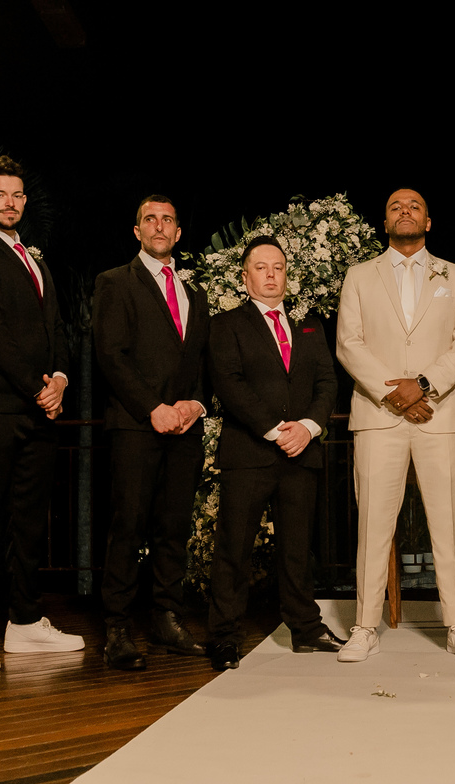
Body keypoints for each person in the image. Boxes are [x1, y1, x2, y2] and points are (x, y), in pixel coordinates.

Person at [334, 188, 455, 662]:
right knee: (373, 526)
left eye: (414, 206)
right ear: (384, 223)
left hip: (441, 415)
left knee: (449, 525)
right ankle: (364, 626)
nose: (405, 211)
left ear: (429, 221)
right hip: (378, 416)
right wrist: (395, 395)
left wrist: (422, 385)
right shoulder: (359, 276)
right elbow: (349, 343)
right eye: (396, 207)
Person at [0, 155, 83, 671]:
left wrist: (62, 378)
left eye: (17, 194)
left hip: (37, 408)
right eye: (0, 194)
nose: (10, 202)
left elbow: (56, 328)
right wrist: (40, 388)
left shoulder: (34, 258)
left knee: (29, 521)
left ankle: (24, 622)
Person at [205, 236, 345, 671]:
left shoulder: (309, 324)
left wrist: (308, 427)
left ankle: (305, 629)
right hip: (250, 453)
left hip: (301, 453)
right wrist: (274, 430)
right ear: (245, 276)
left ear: (287, 275)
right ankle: (224, 636)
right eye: (261, 267)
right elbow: (228, 383)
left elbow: (327, 382)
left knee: (298, 549)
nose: (270, 275)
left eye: (278, 267)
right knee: (234, 548)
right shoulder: (226, 324)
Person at [93, 195, 208, 670]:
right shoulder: (114, 282)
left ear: (178, 232)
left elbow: (201, 359)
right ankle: (117, 628)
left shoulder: (194, 292)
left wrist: (195, 402)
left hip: (185, 428)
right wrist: (152, 408)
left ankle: (166, 618)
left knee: (173, 528)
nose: (159, 226)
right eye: (150, 219)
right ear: (137, 231)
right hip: (136, 426)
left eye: (167, 220)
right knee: (128, 526)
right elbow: (110, 355)